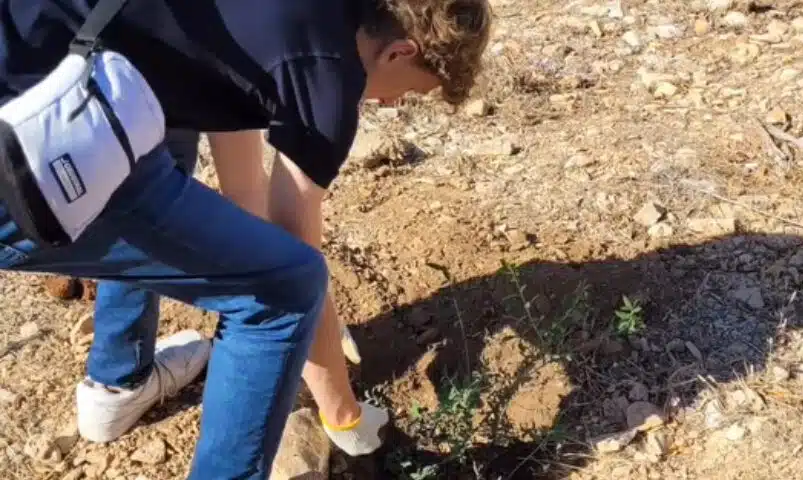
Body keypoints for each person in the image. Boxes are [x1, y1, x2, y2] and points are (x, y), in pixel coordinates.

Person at [0, 0, 492, 478]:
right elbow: (293, 246)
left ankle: (118, 380)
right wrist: (343, 415)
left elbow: (243, 186)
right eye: (410, 91)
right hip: (23, 157)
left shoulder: (281, 24)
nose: (392, 103)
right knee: (285, 289)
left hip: (48, 52)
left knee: (167, 129)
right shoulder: (330, 77)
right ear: (400, 52)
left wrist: (259, 262)